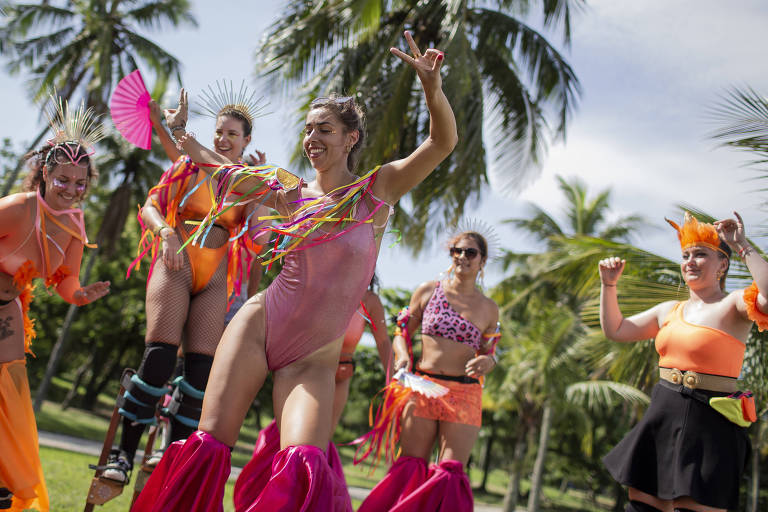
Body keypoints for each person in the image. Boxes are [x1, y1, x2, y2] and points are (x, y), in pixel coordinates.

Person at [133, 30, 457, 511]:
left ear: (351, 138)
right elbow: (216, 165)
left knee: (304, 463)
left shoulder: (377, 191)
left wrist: (432, 87)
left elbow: (441, 142)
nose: (312, 139)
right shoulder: (287, 190)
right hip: (260, 326)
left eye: (324, 129)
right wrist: (181, 134)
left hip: (314, 357)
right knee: (207, 446)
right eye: (308, 129)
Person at [102, 83, 271, 483]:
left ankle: (171, 458)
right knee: (160, 356)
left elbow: (258, 241)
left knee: (200, 372)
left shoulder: (246, 183)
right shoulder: (184, 166)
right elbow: (149, 207)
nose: (223, 139)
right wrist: (165, 233)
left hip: (215, 273)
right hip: (174, 261)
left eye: (232, 134)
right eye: (218, 132)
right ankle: (122, 455)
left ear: (247, 141)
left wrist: (264, 195)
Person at [599, 212, 768, 512]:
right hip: (663, 416)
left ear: (722, 264)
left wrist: (742, 245)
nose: (690, 261)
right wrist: (608, 286)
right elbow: (616, 330)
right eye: (686, 255)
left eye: (700, 254)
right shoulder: (668, 310)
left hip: (712, 423)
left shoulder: (734, 305)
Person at [0, 97, 110, 511]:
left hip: (9, 309)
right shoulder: (17, 208)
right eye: (63, 179)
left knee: (9, 391)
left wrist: (79, 296)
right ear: (45, 174)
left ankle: (5, 481)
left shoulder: (74, 225)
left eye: (80, 183)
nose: (71, 190)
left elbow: (64, 278)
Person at [357, 230, 500, 512]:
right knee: (411, 467)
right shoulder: (428, 290)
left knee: (450, 472)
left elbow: (489, 352)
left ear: (482, 261)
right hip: (423, 387)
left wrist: (488, 363)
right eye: (456, 251)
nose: (462, 257)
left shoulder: (489, 308)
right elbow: (402, 333)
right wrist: (401, 357)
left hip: (465, 393)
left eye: (470, 252)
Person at [231, 273, 392, 511]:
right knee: (287, 437)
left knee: (318, 444)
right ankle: (266, 497)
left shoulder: (369, 301)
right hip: (302, 370)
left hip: (339, 376)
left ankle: (305, 502)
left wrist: (395, 380)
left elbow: (383, 342)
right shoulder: (318, 285)